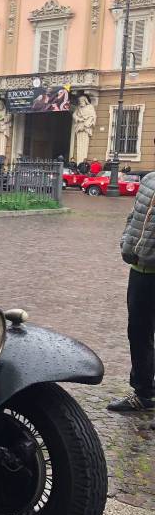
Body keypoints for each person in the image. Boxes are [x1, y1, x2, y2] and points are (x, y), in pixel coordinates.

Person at [108, 138, 155, 412]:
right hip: (138, 272)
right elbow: (132, 218)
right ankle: (143, 393)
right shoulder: (149, 179)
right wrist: (126, 243)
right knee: (138, 333)